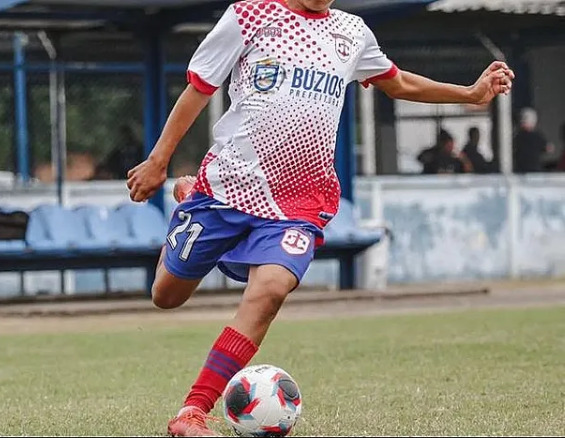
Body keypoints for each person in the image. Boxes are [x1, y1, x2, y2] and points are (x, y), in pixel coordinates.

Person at [125, 1, 514, 435]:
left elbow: (398, 82)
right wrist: (158, 161)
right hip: (224, 192)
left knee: (271, 290)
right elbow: (199, 88)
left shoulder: (352, 32)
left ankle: (192, 412)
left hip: (299, 203)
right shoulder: (248, 16)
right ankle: (189, 202)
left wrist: (471, 94)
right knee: (166, 295)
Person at [513, 107, 552, 173]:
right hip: (534, 171)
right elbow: (549, 148)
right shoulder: (537, 136)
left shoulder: (516, 136)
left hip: (519, 170)